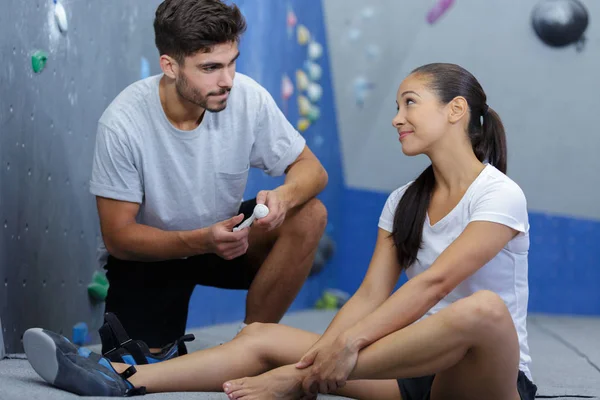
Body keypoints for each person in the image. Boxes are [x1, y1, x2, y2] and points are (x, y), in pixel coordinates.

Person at [25, 63, 538, 400]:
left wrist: (327, 357)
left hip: (486, 379)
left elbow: (434, 285)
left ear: (455, 110)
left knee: (483, 312)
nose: (395, 118)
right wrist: (330, 347)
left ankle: (297, 381)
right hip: (413, 375)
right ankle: (116, 378)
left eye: (409, 103)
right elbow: (367, 297)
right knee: (259, 336)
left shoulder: (499, 195)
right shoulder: (403, 202)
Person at [88, 0, 329, 356]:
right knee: (137, 365)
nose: (227, 80)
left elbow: (313, 169)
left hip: (229, 240)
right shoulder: (123, 122)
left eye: (232, 62)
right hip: (153, 255)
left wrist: (286, 196)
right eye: (210, 67)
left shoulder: (247, 97)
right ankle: (158, 342)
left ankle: (252, 344)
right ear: (170, 66)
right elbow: (119, 236)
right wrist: (201, 240)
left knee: (310, 214)